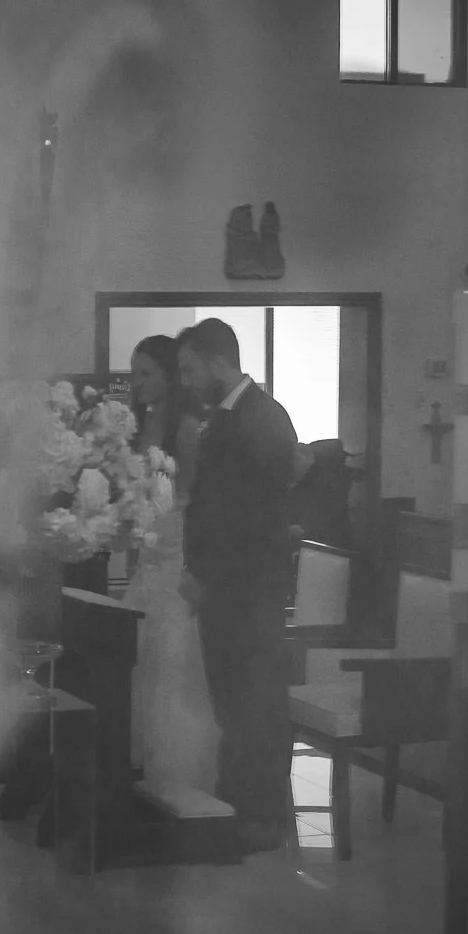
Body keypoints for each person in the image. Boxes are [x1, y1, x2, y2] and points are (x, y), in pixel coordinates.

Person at [176, 318, 300, 853]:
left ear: (218, 362)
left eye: (189, 369)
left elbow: (250, 516)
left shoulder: (263, 419)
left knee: (256, 702)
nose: (186, 381)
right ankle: (236, 802)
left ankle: (262, 816)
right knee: (231, 701)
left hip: (249, 590)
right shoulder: (228, 417)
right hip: (227, 588)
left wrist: (207, 574)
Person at [121, 335, 221, 794]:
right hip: (147, 555)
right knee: (139, 663)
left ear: (168, 376)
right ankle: (143, 775)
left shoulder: (186, 427)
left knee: (172, 665)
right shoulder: (141, 425)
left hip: (174, 551)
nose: (136, 382)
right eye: (134, 373)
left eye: (146, 373)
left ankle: (181, 777)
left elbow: (195, 499)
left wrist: (156, 518)